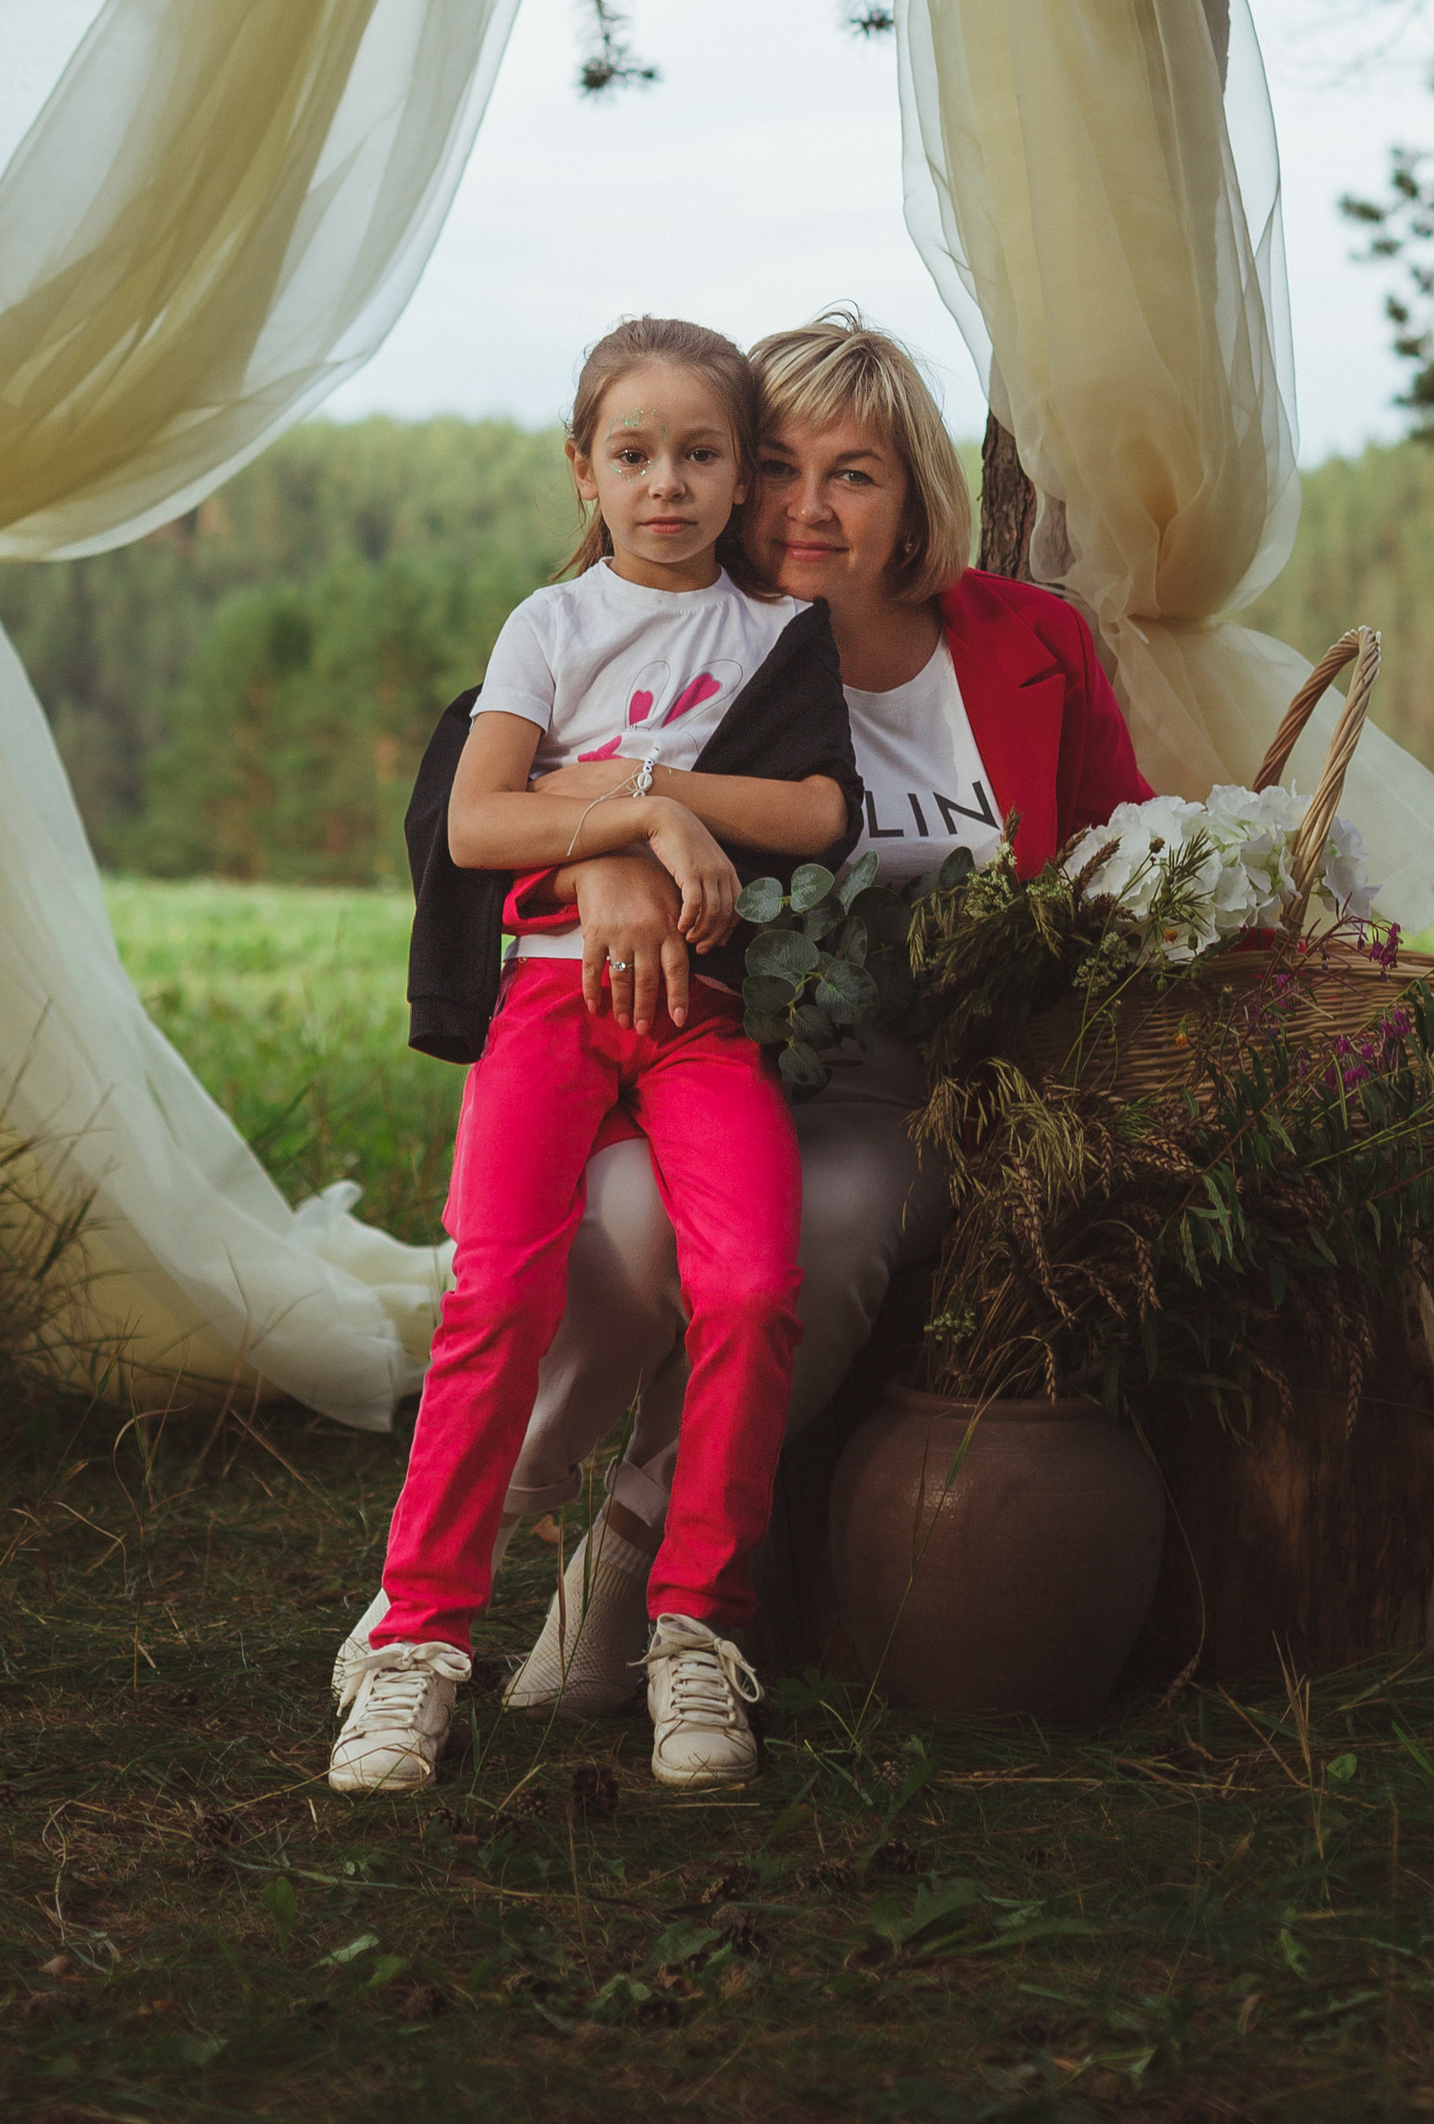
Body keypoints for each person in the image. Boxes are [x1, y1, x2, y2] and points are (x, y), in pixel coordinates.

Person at [493, 314, 1152, 1711]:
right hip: (689, 1047)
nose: (806, 507)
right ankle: (486, 1512)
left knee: (824, 1220)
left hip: (906, 1079)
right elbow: (491, 778)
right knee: (623, 1223)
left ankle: (632, 1563)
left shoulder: (1030, 645)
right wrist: (609, 842)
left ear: (915, 494)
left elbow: (1116, 851)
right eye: (777, 466)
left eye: (853, 474)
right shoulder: (682, 639)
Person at [327, 316, 854, 1799]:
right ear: (584, 471)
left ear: (744, 476)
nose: (667, 486)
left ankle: (694, 1634)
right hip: (552, 1002)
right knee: (495, 1288)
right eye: (634, 455)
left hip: (702, 1016)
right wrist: (637, 821)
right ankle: (417, 1648)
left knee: (752, 1284)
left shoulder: (775, 639)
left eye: (701, 457)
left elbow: (819, 814)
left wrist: (643, 789)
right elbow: (481, 824)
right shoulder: (548, 630)